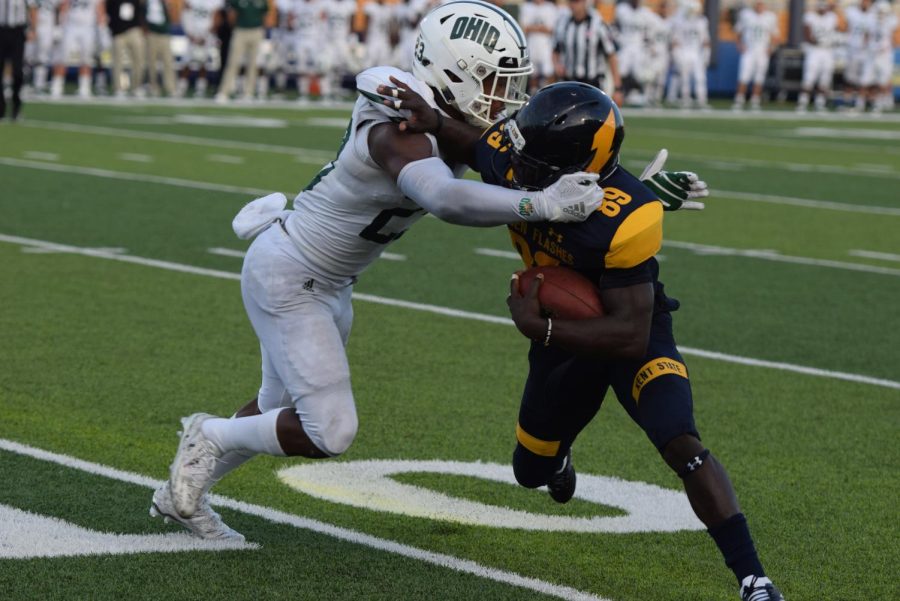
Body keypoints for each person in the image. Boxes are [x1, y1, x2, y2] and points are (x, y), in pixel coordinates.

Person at [151, 0, 606, 541]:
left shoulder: (440, 115)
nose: (500, 96)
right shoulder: (399, 123)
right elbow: (446, 198)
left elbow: (518, 165)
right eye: (488, 80)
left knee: (275, 409)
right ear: (451, 71)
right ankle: (206, 435)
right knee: (330, 430)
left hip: (327, 281)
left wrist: (638, 197)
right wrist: (543, 205)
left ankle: (180, 496)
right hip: (291, 272)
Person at [397, 80, 781, 601]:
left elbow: (628, 334)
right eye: (522, 154)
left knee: (681, 442)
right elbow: (476, 145)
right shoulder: (517, 157)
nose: (521, 169)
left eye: (539, 164)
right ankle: (557, 460)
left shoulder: (629, 218)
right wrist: (435, 122)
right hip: (562, 342)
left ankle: (754, 581)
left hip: (631, 331)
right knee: (529, 471)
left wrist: (541, 327)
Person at [553, 0, 622, 105]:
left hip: (592, 84)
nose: (573, 5)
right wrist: (557, 65)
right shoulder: (564, 23)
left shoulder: (597, 23)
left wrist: (617, 88)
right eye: (571, 2)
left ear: (584, 2)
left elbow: (611, 55)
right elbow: (555, 50)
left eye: (576, 2)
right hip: (569, 82)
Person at [213, 0, 268, 102]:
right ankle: (224, 92)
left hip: (256, 30)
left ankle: (248, 93)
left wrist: (261, 29)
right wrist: (236, 27)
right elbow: (232, 14)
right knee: (233, 62)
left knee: (253, 64)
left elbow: (264, 15)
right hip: (240, 30)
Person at [51, 0, 104, 98]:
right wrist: (58, 27)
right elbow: (64, 6)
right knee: (63, 56)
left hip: (88, 27)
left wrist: (101, 29)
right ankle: (57, 86)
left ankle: (85, 87)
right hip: (70, 26)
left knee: (87, 58)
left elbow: (99, 9)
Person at [732, 0, 778, 111]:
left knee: (759, 76)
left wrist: (771, 48)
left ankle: (755, 100)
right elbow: (738, 31)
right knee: (744, 75)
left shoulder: (770, 17)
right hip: (749, 49)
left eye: (762, 4)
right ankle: (739, 99)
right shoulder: (746, 15)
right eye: (758, 4)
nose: (759, 6)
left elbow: (775, 35)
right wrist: (739, 45)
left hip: (762, 50)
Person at [796, 0, 837, 113]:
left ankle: (820, 103)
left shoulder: (832, 17)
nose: (822, 9)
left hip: (827, 51)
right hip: (814, 50)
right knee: (809, 76)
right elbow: (807, 33)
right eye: (820, 7)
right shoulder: (810, 16)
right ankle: (803, 102)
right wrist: (817, 41)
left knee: (825, 78)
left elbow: (837, 29)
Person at [671, 0, 709, 108]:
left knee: (700, 77)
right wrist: (676, 54)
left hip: (696, 53)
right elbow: (675, 40)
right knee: (685, 78)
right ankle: (685, 99)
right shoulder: (680, 22)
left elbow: (705, 40)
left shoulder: (702, 21)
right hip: (684, 52)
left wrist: (706, 54)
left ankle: (702, 100)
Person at [0, 0, 33, 120]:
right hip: (1, 30)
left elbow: (31, 7)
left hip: (17, 32)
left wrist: (32, 29)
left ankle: (16, 107)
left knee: (18, 71)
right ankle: (1, 108)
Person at [105, 0, 144, 97]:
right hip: (118, 32)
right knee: (117, 62)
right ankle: (118, 88)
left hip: (133, 29)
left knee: (138, 60)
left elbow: (141, 9)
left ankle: (136, 87)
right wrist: (112, 28)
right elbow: (108, 11)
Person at [519, 0, 558, 90]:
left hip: (546, 46)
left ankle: (549, 93)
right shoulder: (526, 7)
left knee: (549, 72)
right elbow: (525, 27)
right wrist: (541, 28)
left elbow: (552, 29)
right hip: (531, 45)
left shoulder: (550, 7)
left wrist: (534, 27)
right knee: (533, 75)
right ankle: (534, 95)